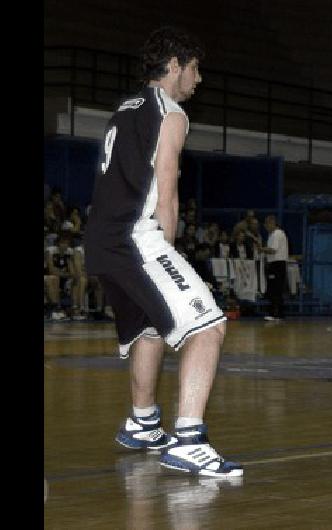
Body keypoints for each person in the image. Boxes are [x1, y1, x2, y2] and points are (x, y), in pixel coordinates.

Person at [83, 26, 241, 477]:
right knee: (208, 326)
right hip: (136, 238)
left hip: (101, 240)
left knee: (150, 328)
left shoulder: (123, 109)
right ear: (174, 66)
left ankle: (143, 421)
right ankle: (190, 439)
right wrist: (167, 252)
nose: (199, 79)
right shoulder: (171, 114)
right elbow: (167, 191)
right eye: (195, 68)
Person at [263, 214, 288, 321]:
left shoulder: (277, 234)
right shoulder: (274, 234)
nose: (266, 227)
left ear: (272, 223)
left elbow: (273, 250)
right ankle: (278, 313)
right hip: (276, 264)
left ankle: (275, 313)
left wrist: (261, 249)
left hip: (277, 264)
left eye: (267, 224)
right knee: (276, 289)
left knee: (275, 289)